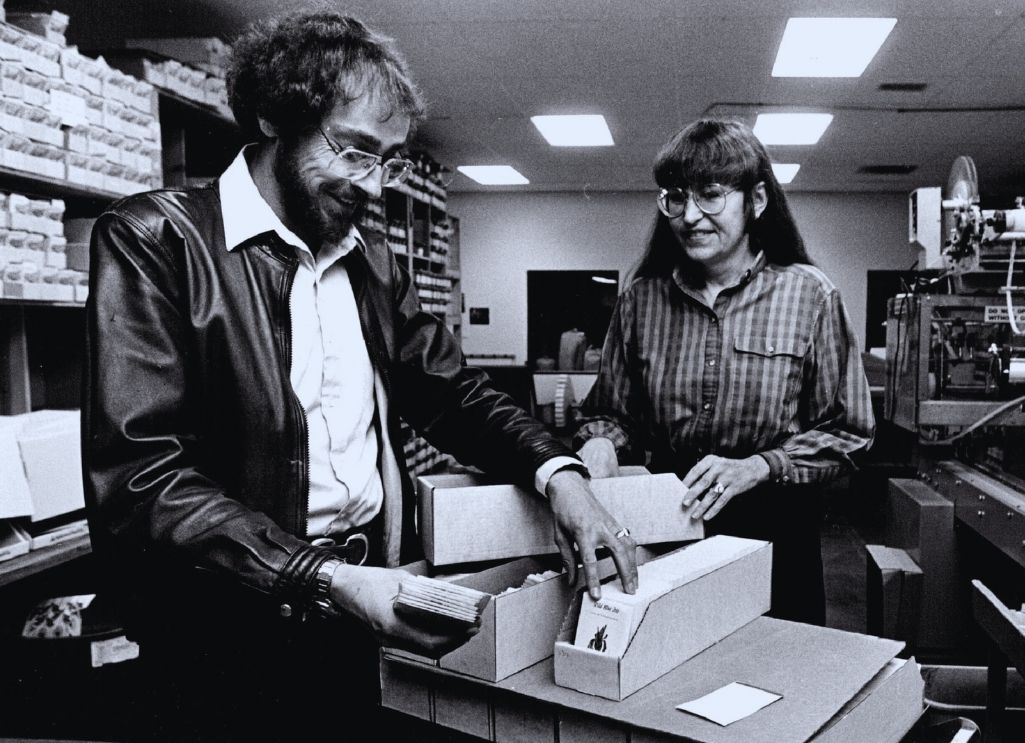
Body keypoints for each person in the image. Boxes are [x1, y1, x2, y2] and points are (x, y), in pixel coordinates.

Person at [83, 11, 636, 742]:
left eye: (389, 160)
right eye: (353, 151)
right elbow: (142, 479)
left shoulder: (368, 260)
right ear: (274, 116)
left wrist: (559, 474)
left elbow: (454, 393)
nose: (372, 183)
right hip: (221, 635)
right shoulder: (155, 241)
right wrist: (323, 577)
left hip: (357, 614)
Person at [574, 118, 874, 626]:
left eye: (710, 196)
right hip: (666, 523)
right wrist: (601, 441)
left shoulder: (809, 295)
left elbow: (850, 430)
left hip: (776, 531)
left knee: (774, 680)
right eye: (675, 198)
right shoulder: (642, 300)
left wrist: (761, 465)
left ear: (755, 201)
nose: (690, 216)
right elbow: (611, 412)